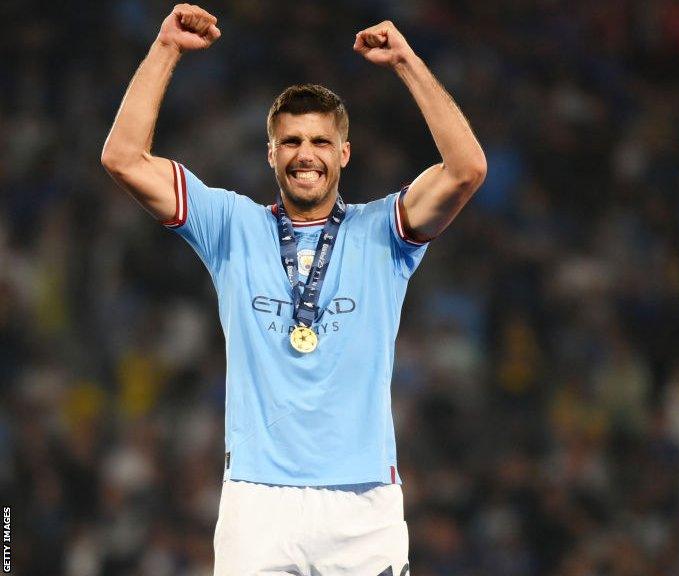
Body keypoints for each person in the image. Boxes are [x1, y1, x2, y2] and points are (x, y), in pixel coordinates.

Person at [100, 4, 486, 574]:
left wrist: (406, 61)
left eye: (321, 142)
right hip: (258, 502)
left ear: (344, 154)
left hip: (362, 502)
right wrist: (166, 49)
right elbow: (122, 158)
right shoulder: (231, 226)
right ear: (272, 154)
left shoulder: (386, 232)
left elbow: (467, 170)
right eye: (292, 141)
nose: (306, 154)